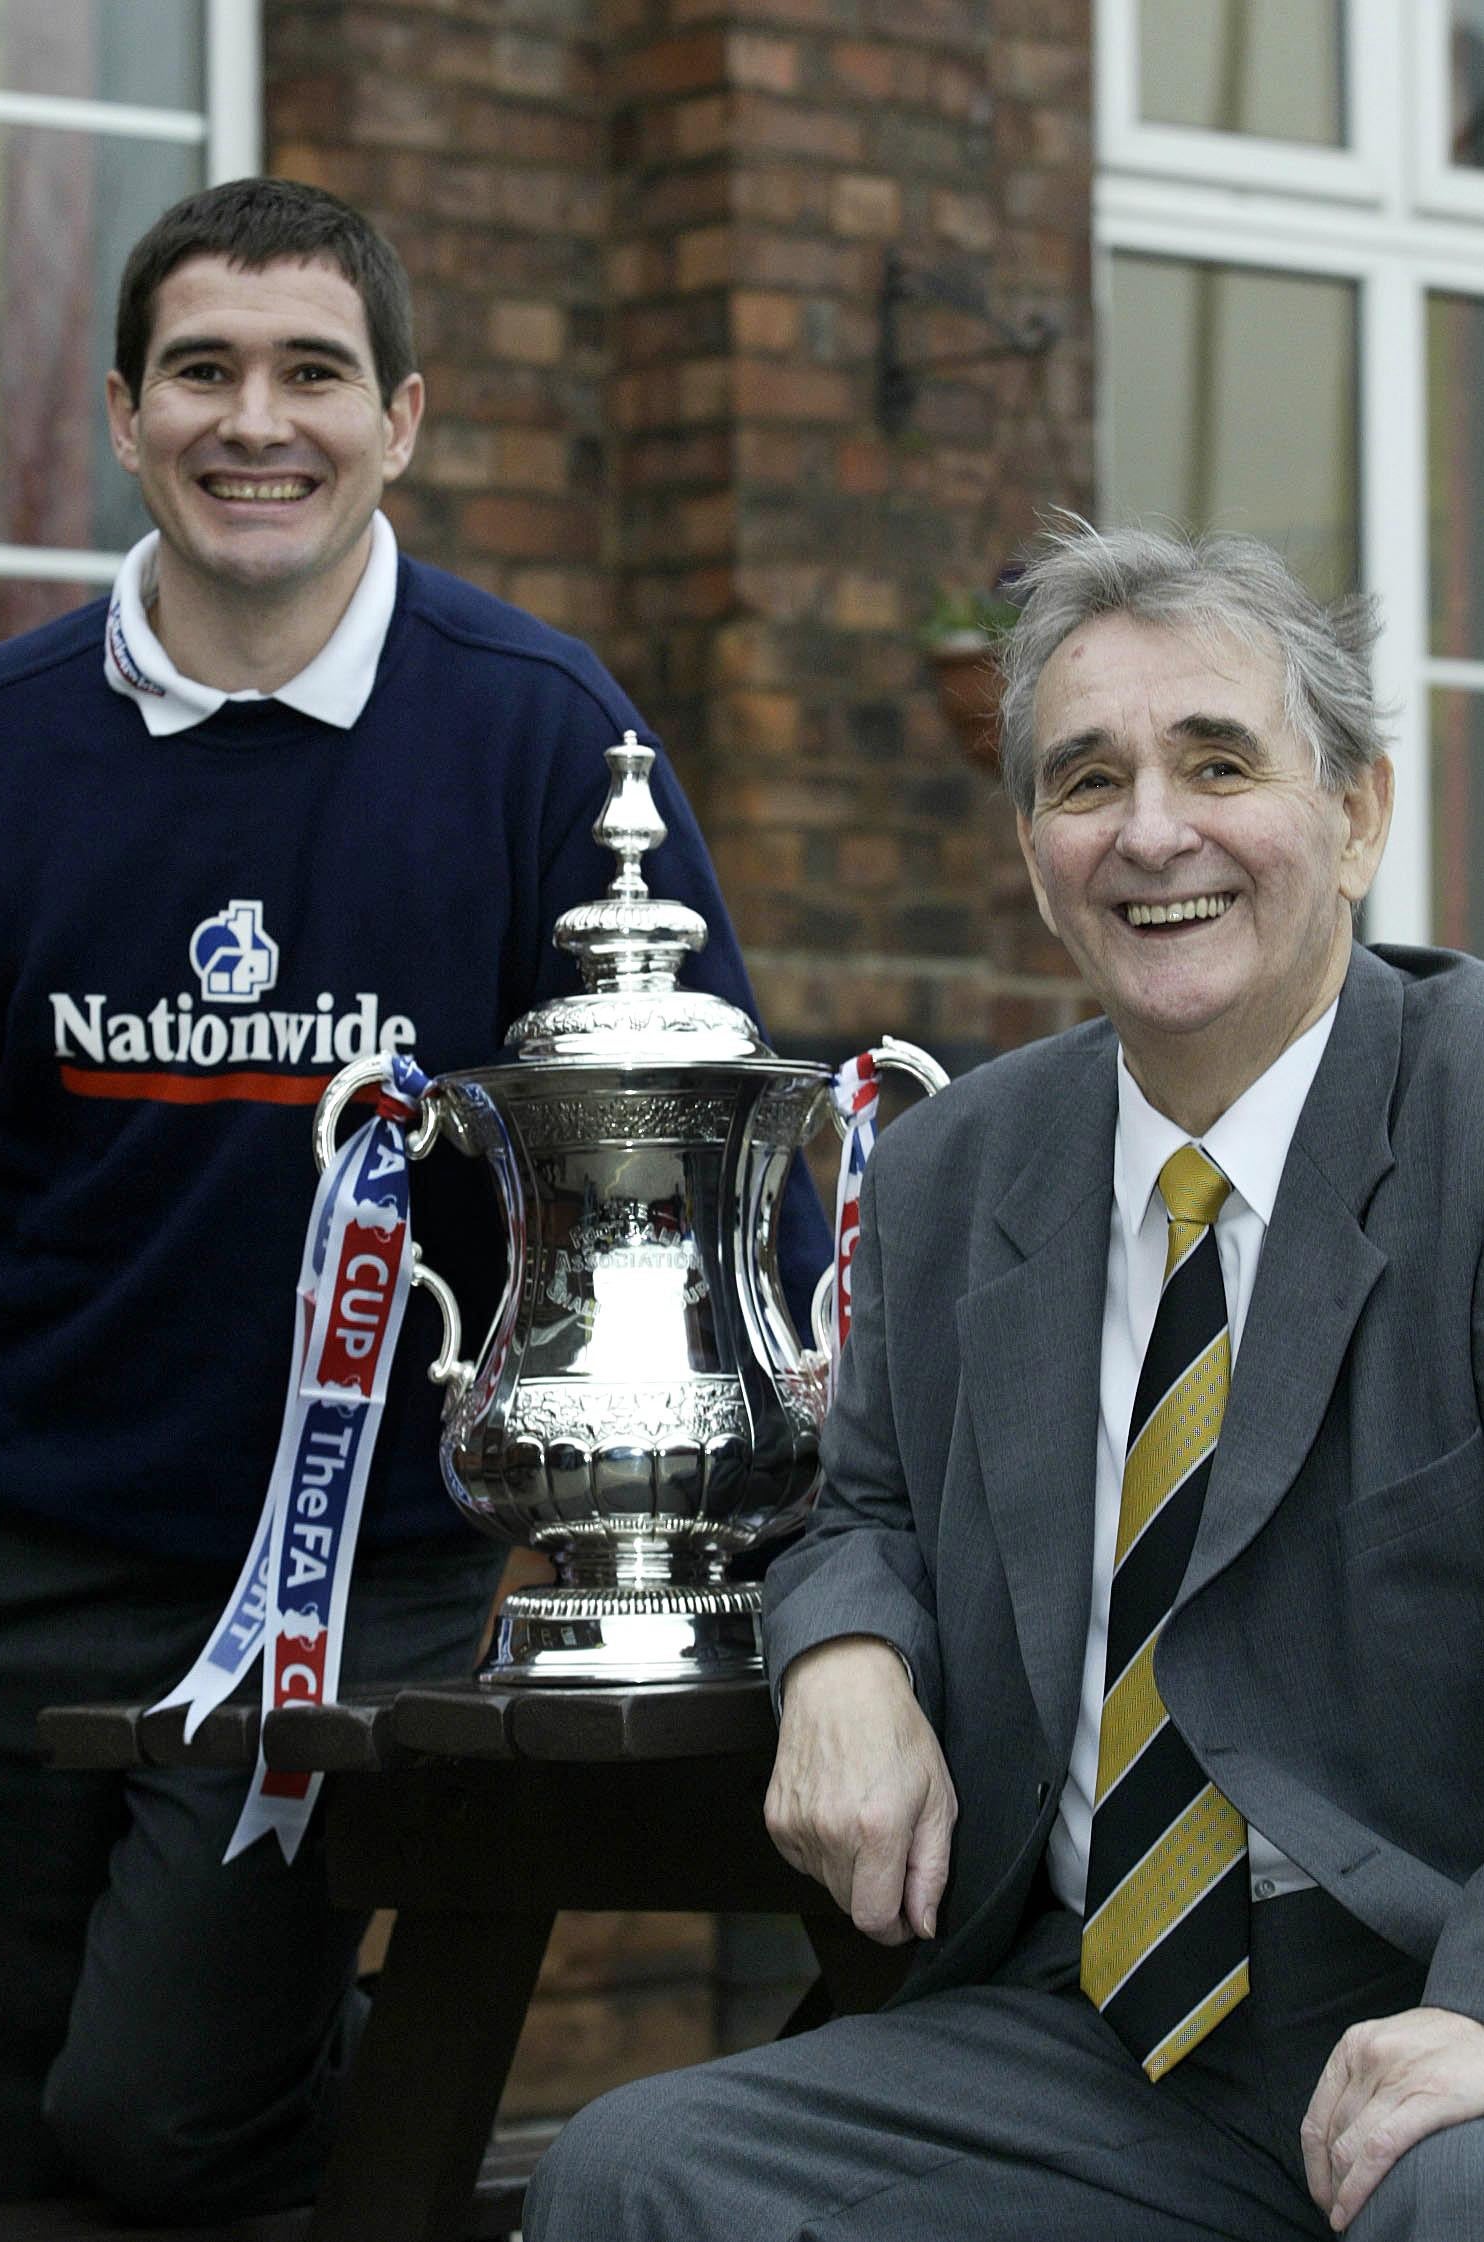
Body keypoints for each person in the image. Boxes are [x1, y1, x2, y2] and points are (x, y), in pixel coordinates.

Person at [0, 177, 827, 2218]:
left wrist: (790, 1520)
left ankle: (414, 2126)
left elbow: (712, 1163)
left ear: (402, 418)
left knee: (158, 2104)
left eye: (311, 371)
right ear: (123, 411)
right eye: (200, 369)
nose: (252, 419)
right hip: (22, 1550)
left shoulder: (543, 737)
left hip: (361, 1567)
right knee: (28, 2164)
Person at [525, 524, 1484, 2242]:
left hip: (1435, 1983)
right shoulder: (962, 1169)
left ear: (1357, 817)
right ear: (1038, 856)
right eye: (1084, 780)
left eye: (1218, 761)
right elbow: (859, 1503)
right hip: (1098, 2032)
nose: (1153, 831)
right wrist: (840, 1651)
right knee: (636, 2171)